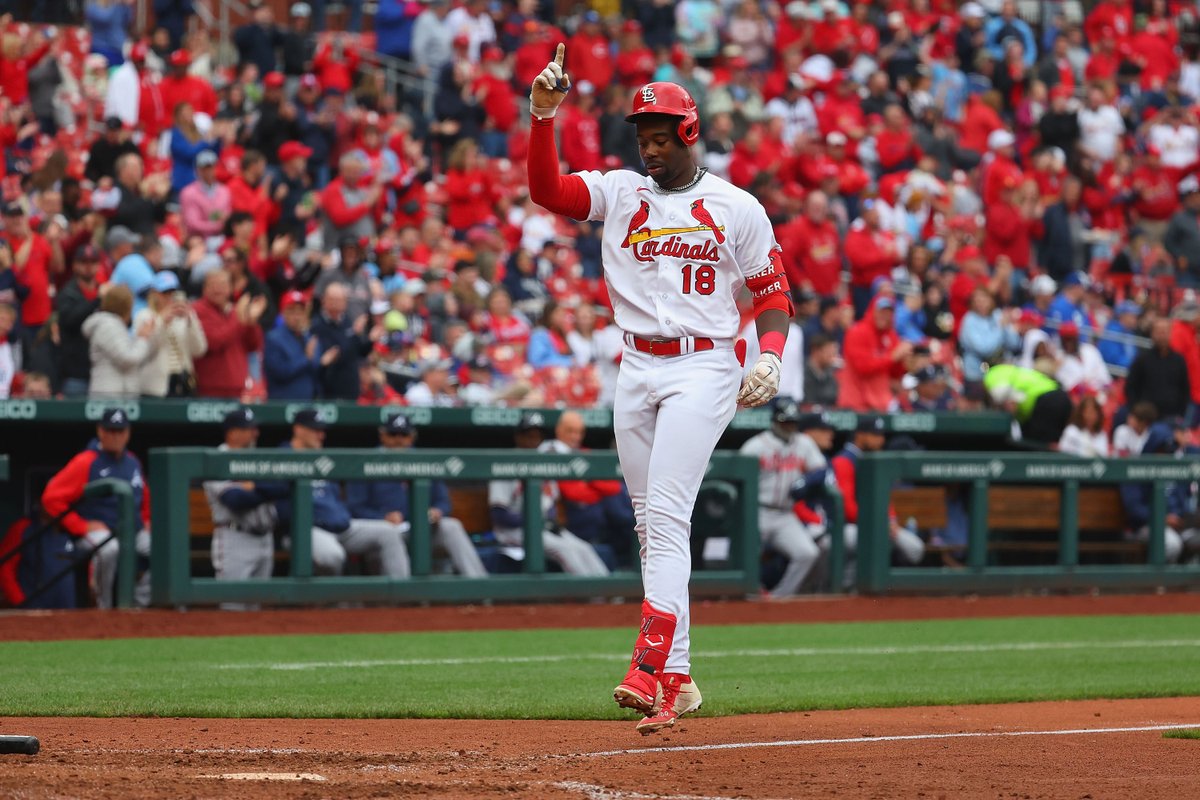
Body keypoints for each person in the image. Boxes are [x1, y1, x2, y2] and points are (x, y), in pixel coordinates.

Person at [526, 50, 793, 734]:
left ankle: (649, 669)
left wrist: (770, 356)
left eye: (660, 135)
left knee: (668, 516)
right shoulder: (621, 192)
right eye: (642, 135)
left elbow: (772, 293)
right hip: (637, 366)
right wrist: (543, 117)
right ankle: (682, 679)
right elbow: (549, 192)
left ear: (689, 133)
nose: (648, 146)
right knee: (652, 527)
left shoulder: (736, 206)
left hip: (704, 366)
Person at [268, 408, 411, 578]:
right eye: (315, 430)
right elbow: (281, 507)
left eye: (322, 430)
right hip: (307, 530)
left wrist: (340, 516)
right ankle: (331, 601)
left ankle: (403, 596)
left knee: (389, 533)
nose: (321, 435)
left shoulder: (323, 457)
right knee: (332, 556)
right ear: (298, 429)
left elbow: (334, 498)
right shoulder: (281, 457)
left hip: (340, 526)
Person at [345, 413, 487, 578]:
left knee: (451, 526)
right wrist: (382, 517)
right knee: (388, 535)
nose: (398, 440)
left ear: (412, 437)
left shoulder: (424, 460)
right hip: (385, 531)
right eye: (393, 434)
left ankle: (480, 583)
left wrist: (437, 511)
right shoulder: (366, 461)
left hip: (420, 530)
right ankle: (403, 596)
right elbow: (355, 507)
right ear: (382, 435)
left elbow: (443, 502)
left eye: (404, 435)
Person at [40, 408, 152, 608]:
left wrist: (146, 521)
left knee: (161, 549)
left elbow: (143, 498)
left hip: (131, 531)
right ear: (100, 431)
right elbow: (51, 498)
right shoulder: (86, 461)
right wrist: (81, 526)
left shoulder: (133, 461)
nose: (116, 436)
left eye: (120, 431)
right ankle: (103, 608)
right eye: (111, 431)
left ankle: (139, 604)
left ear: (128, 433)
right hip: (98, 532)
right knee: (109, 549)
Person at [488, 412, 611, 577]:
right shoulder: (505, 465)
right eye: (528, 435)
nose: (533, 441)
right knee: (564, 548)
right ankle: (592, 593)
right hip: (513, 531)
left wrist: (548, 521)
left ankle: (605, 590)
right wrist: (535, 520)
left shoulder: (544, 462)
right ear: (518, 437)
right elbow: (499, 514)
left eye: (538, 437)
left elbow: (551, 504)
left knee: (583, 548)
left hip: (543, 528)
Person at [739, 399, 826, 598]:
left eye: (793, 422)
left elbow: (821, 470)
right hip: (757, 511)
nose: (789, 427)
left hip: (785, 515)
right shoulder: (755, 446)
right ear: (774, 421)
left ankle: (780, 599)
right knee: (747, 554)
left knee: (807, 553)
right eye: (785, 422)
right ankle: (746, 596)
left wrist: (807, 480)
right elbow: (739, 480)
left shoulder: (803, 443)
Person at [202, 407, 287, 609]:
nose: (255, 433)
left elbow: (284, 487)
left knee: (256, 610)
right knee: (232, 607)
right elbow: (236, 499)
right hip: (235, 539)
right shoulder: (215, 460)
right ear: (232, 432)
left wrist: (254, 486)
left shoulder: (256, 458)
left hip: (265, 538)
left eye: (255, 428)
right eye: (249, 428)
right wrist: (264, 486)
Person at [829, 415, 926, 588]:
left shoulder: (873, 459)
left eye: (881, 435)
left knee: (915, 549)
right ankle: (845, 589)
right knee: (876, 538)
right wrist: (879, 523)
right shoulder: (844, 460)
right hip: (845, 525)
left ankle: (891, 590)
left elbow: (884, 499)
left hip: (874, 524)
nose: (881, 440)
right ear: (860, 435)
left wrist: (891, 520)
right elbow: (847, 507)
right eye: (875, 435)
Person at [538, 410, 635, 569]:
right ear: (558, 430)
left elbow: (613, 487)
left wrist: (588, 480)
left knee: (619, 501)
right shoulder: (552, 451)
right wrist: (595, 487)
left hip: (596, 520)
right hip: (571, 520)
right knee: (618, 512)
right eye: (570, 431)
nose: (575, 436)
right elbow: (574, 493)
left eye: (579, 432)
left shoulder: (583, 452)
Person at [192, 269, 266, 398]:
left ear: (231, 288)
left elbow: (253, 345)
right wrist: (240, 317)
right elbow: (214, 342)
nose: (217, 289)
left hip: (238, 388)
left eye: (222, 285)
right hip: (208, 390)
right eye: (212, 285)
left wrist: (251, 321)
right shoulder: (197, 310)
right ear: (204, 289)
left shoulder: (234, 312)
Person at [133, 270, 207, 398]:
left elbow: (199, 350)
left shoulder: (186, 317)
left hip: (183, 385)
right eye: (165, 293)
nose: (169, 297)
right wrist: (161, 322)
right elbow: (144, 352)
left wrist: (191, 322)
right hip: (154, 388)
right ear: (155, 294)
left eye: (173, 293)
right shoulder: (144, 316)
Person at [81, 284, 162, 399]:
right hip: (110, 396)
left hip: (118, 395)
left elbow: (136, 356)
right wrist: (142, 338)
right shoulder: (108, 325)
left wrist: (143, 338)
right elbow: (127, 359)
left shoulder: (115, 325)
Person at [56, 245, 105, 398]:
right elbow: (70, 320)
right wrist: (97, 301)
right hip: (75, 374)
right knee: (73, 420)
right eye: (84, 262)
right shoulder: (68, 292)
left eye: (93, 262)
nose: (88, 267)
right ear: (75, 265)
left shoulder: (103, 291)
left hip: (101, 373)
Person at [983, 362, 1073, 443]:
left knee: (1038, 448)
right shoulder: (1002, 371)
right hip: (1061, 397)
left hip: (1048, 402)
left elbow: (1010, 407)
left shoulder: (991, 380)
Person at [264, 289, 326, 400]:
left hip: (308, 401)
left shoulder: (308, 337)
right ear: (283, 313)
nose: (297, 316)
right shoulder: (273, 338)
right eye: (292, 311)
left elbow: (315, 369)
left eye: (300, 311)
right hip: (283, 403)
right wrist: (306, 359)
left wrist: (322, 362)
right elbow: (280, 373)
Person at [1125, 318, 1189, 422]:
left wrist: (1181, 414)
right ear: (1152, 334)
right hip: (1146, 418)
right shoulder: (1142, 359)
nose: (1162, 336)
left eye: (1165, 332)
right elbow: (1131, 387)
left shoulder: (1179, 360)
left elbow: (1184, 389)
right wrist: (1135, 411)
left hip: (1171, 417)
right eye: (1159, 332)